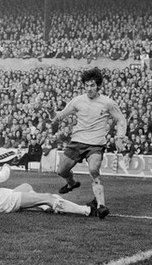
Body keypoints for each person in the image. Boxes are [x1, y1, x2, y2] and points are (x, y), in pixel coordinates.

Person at [52, 68, 128, 219]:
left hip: (96, 144)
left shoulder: (108, 103)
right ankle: (72, 183)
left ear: (98, 86)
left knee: (94, 170)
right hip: (77, 141)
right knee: (61, 171)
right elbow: (62, 114)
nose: (89, 88)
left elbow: (121, 119)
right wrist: (55, 116)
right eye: (86, 85)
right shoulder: (78, 100)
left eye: (92, 85)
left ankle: (101, 206)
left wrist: (119, 137)